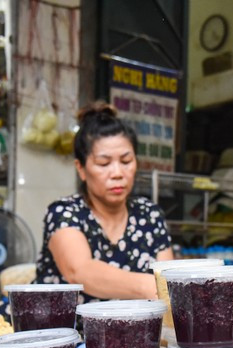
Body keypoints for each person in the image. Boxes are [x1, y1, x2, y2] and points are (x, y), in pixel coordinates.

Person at [35, 102, 174, 301]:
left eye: (126, 161)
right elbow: (79, 271)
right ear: (81, 169)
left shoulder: (149, 214)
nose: (117, 173)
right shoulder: (64, 213)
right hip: (66, 329)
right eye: (104, 163)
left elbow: (167, 277)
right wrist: (152, 287)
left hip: (135, 330)